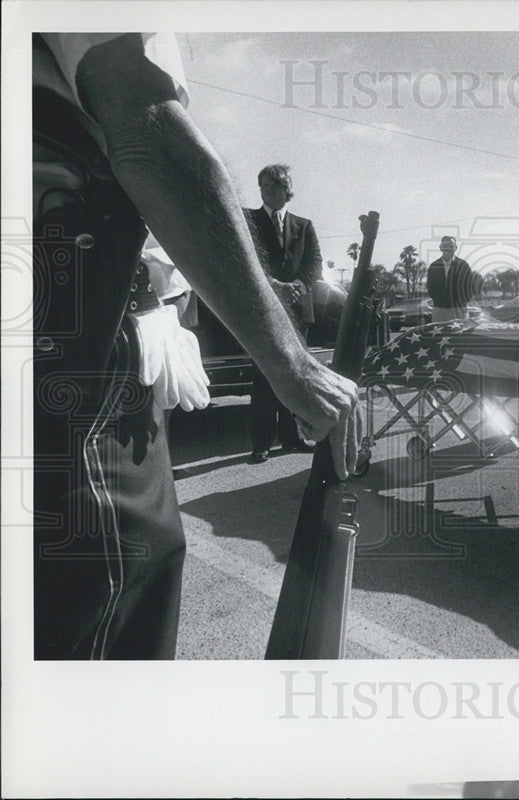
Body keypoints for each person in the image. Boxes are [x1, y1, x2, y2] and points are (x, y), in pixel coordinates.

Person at [32, 33, 360, 660]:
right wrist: (293, 365)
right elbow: (149, 137)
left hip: (81, 292)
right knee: (116, 595)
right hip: (69, 295)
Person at [245, 164, 324, 462]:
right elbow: (246, 260)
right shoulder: (248, 220)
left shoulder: (304, 225)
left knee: (295, 374)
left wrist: (297, 285)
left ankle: (292, 438)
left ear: (286, 190)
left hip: (297, 308)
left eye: (275, 186)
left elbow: (314, 262)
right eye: (264, 185)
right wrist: (274, 285)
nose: (268, 190)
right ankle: (262, 443)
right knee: (265, 376)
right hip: (263, 307)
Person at [426, 235, 480, 322]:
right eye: (445, 246)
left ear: (455, 248)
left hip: (459, 309)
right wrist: (438, 300)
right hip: (440, 309)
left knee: (459, 335)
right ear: (440, 248)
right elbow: (430, 287)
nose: (448, 248)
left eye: (451, 246)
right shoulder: (434, 266)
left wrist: (462, 302)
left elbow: (471, 287)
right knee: (439, 335)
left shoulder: (463, 265)